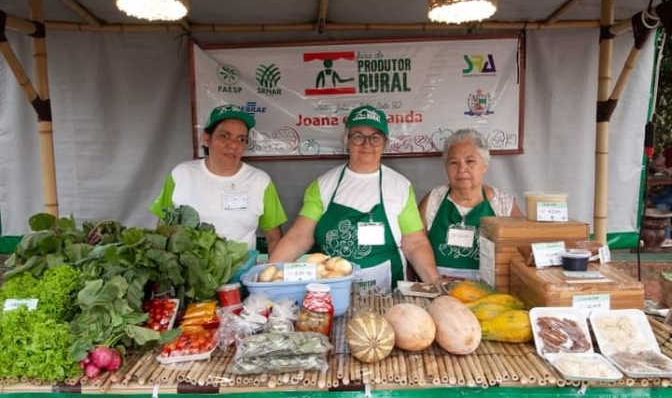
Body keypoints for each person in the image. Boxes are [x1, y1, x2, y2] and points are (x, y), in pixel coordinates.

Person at [269, 105, 440, 293]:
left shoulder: (400, 187)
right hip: (332, 288)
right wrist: (267, 273)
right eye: (358, 136)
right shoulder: (323, 185)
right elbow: (298, 237)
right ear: (347, 140)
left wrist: (435, 283)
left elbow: (415, 243)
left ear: (384, 142)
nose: (367, 145)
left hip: (386, 291)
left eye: (375, 137)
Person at [150, 104, 287, 254]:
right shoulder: (181, 174)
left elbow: (274, 239)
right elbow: (162, 229)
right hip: (188, 273)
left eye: (241, 139)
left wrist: (271, 272)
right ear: (207, 139)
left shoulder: (260, 181)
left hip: (241, 273)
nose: (233, 144)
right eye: (224, 136)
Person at [419, 129, 523, 279]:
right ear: (446, 167)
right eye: (453, 163)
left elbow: (520, 248)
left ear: (485, 166)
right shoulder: (433, 200)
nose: (462, 169)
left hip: (490, 290)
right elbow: (415, 244)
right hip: (439, 287)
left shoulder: (503, 204)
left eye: (470, 161)